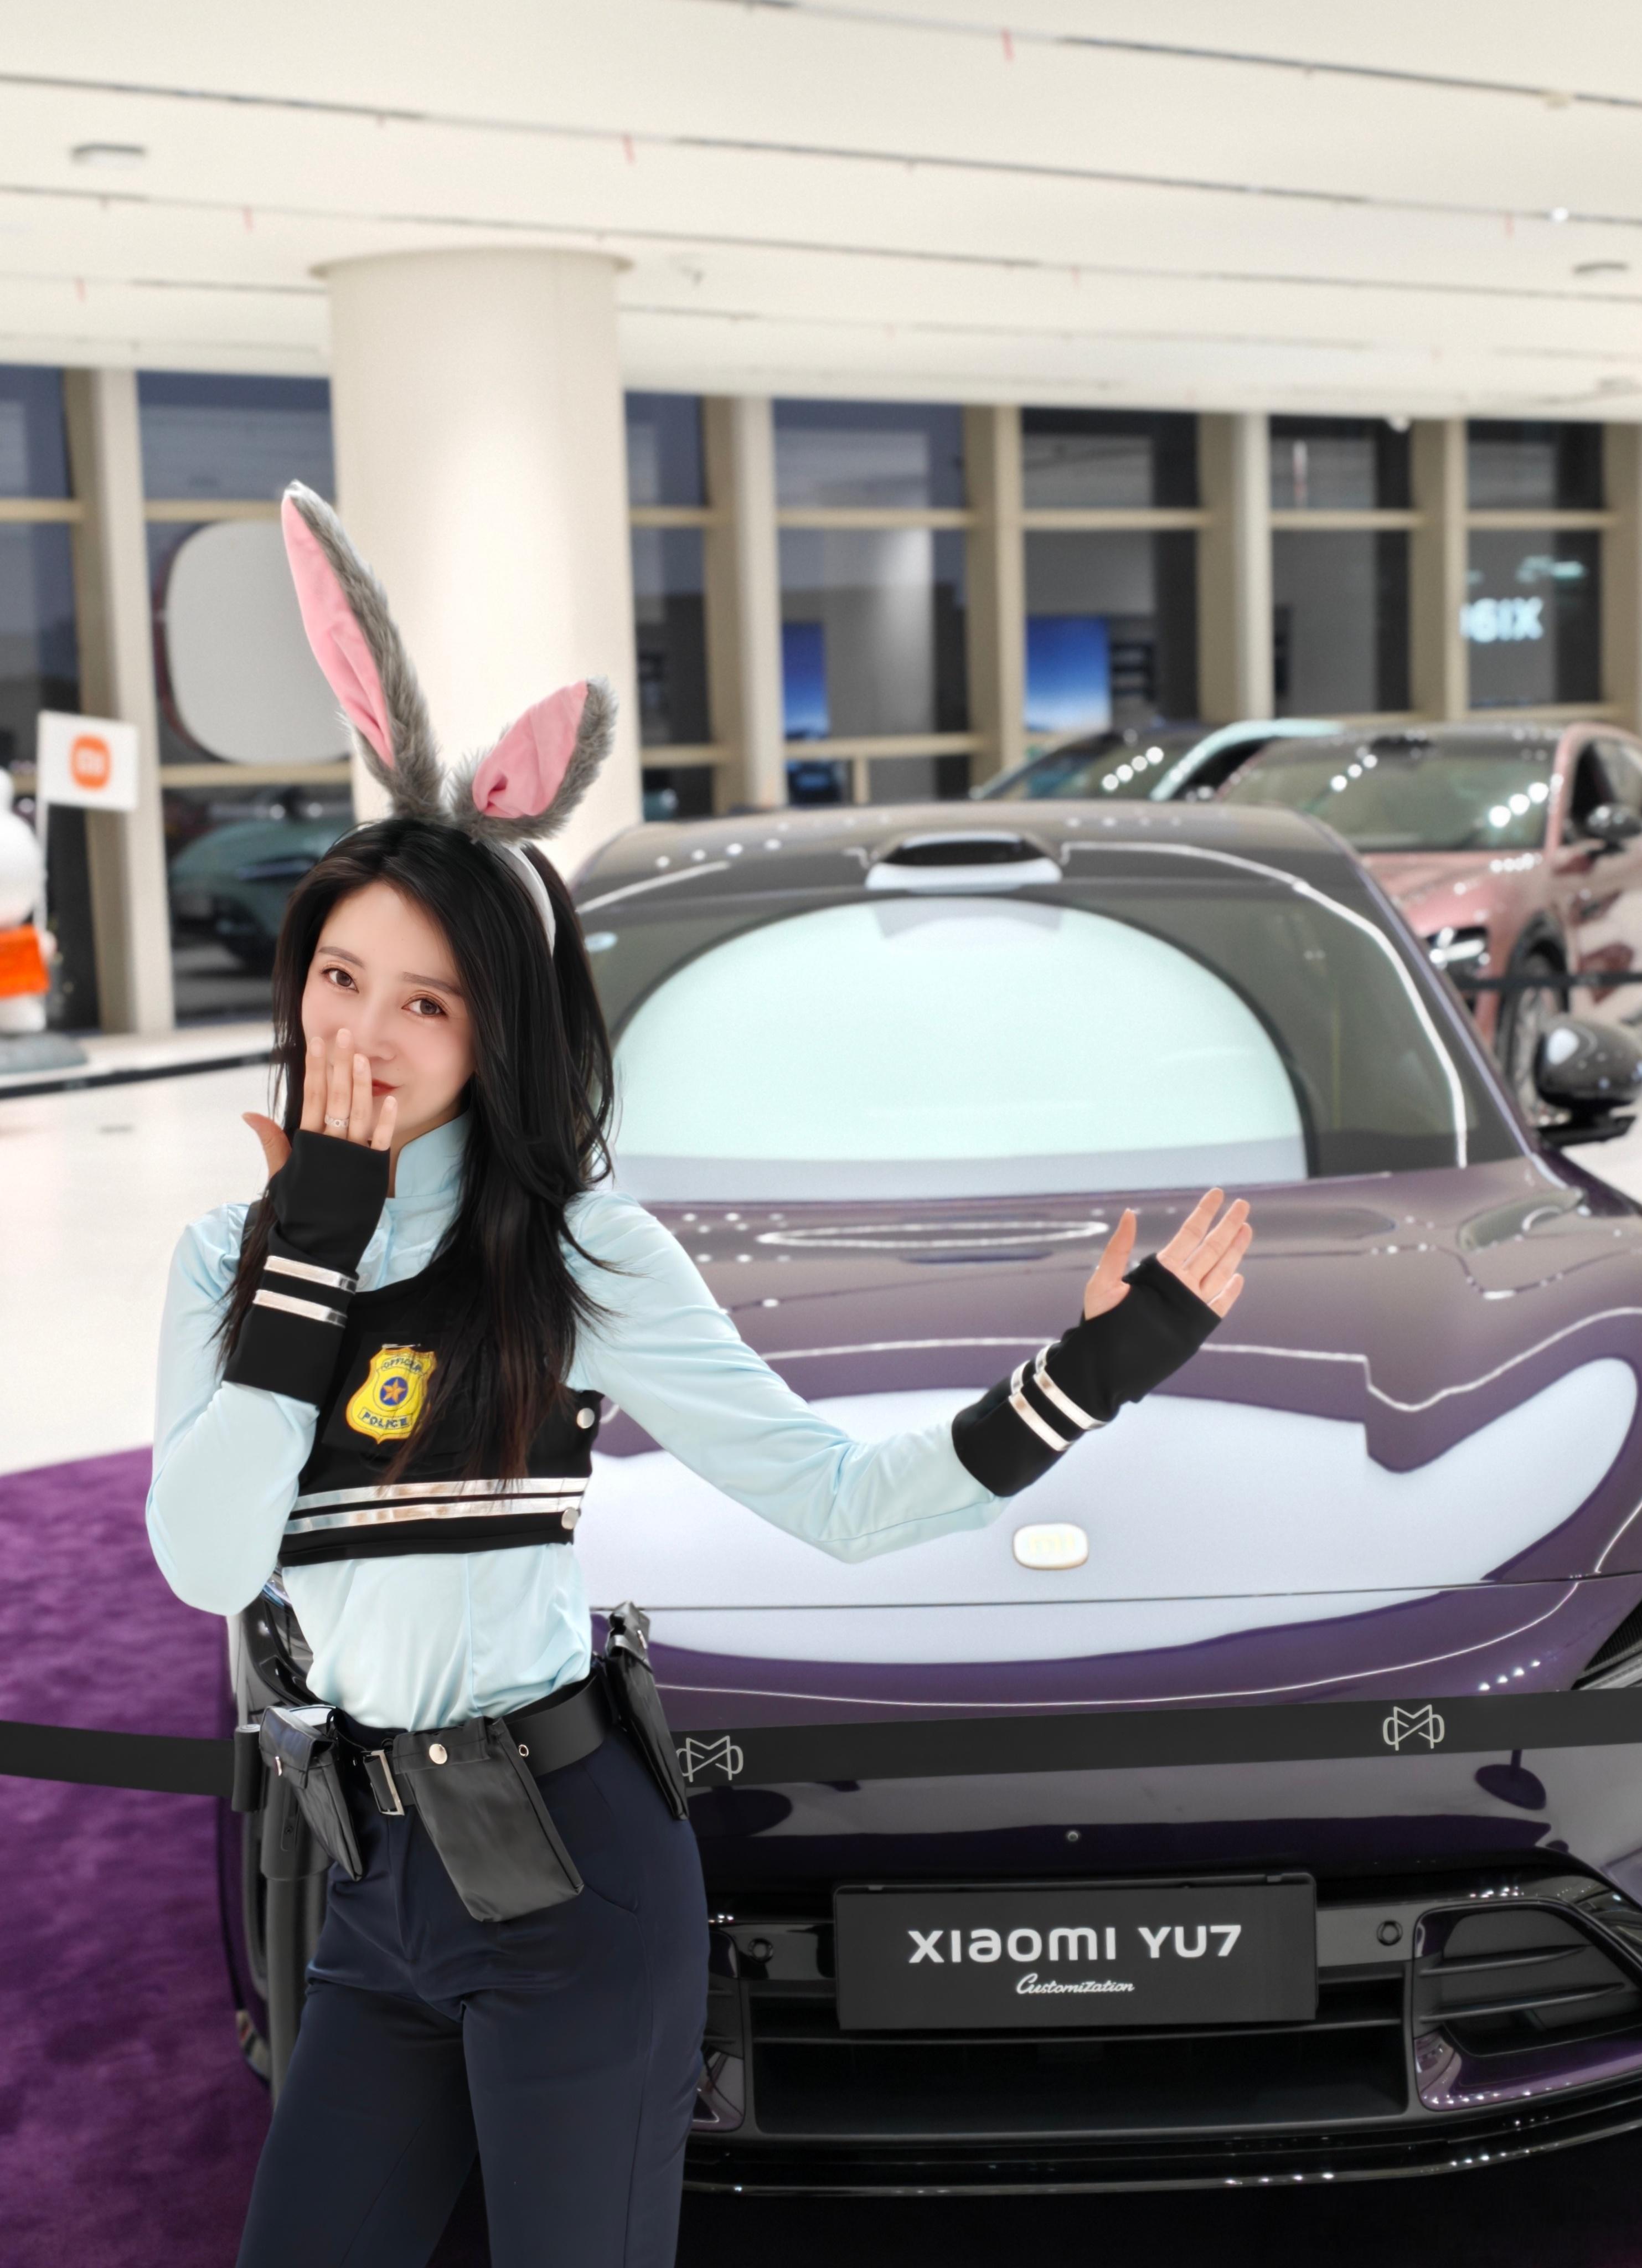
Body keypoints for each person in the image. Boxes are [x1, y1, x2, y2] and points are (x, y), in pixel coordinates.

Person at [146, 484, 1253, 2268]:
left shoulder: (578, 1251)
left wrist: (1105, 1361)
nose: (365, 1030)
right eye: (341, 977)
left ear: (496, 1031)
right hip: (371, 1888)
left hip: (569, 1883)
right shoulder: (229, 1257)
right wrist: (312, 1250)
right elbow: (207, 1562)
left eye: (426, 1002)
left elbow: (840, 1502)